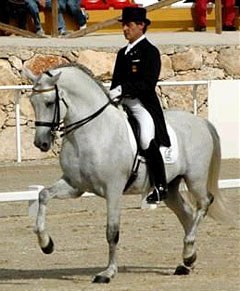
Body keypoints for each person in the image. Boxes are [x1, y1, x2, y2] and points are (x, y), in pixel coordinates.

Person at [109, 7, 171, 204]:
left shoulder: (150, 52)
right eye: (124, 25)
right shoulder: (122, 53)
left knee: (145, 138)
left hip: (140, 105)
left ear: (141, 26)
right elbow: (115, 81)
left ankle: (161, 186)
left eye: (129, 25)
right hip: (121, 104)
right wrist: (113, 93)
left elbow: (147, 83)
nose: (125, 29)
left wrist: (123, 89)